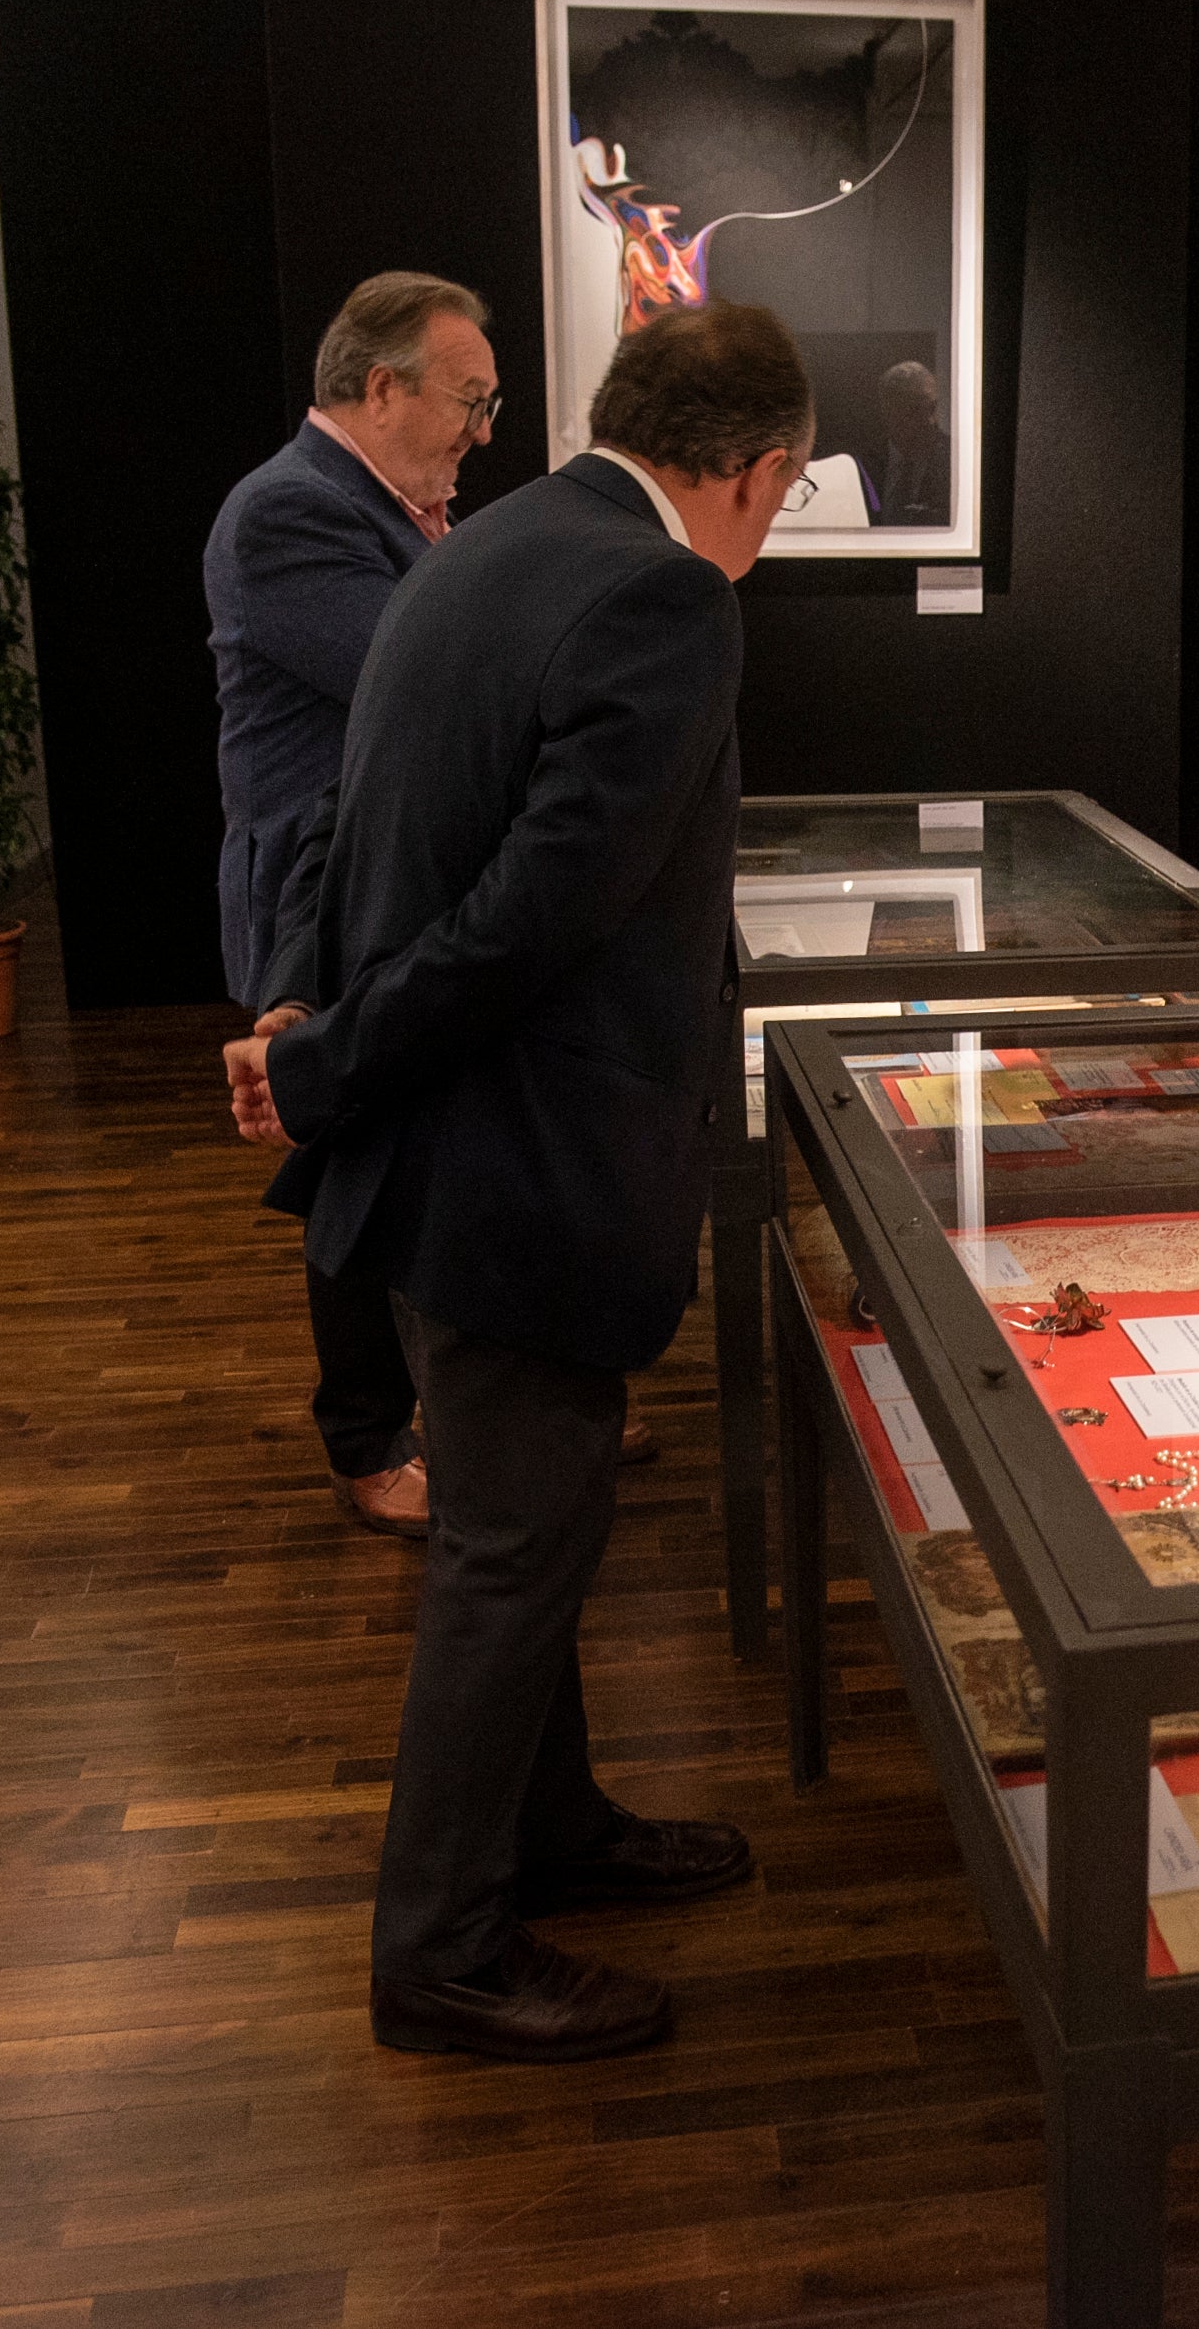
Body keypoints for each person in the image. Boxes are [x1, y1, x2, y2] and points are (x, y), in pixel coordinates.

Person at [225, 300, 812, 2064]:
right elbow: (537, 915)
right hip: (523, 1161)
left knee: (529, 1534)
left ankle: (550, 1829)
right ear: (748, 468)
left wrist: (317, 1022)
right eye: (779, 497)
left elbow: (374, 830)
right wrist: (325, 1055)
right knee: (504, 1556)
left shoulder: (489, 550)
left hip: (444, 1153)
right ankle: (445, 1950)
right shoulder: (663, 595)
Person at [205, 272, 497, 1536]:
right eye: (468, 402)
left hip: (385, 886)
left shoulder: (391, 508)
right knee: (343, 1172)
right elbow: (422, 679)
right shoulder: (287, 513)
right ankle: (371, 1446)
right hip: (313, 910)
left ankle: (484, 1415)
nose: (480, 433)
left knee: (422, 1157)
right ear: (382, 387)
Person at [871, 358, 949, 526]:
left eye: (932, 407)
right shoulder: (863, 463)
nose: (930, 421)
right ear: (888, 410)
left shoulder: (957, 461)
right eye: (915, 409)